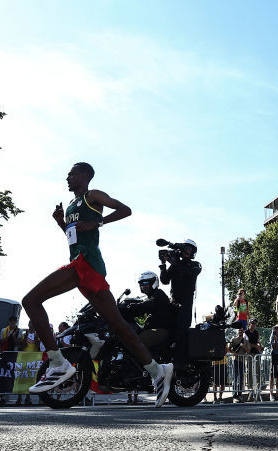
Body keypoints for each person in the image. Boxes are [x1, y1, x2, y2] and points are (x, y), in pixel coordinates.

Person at [22, 162, 173, 405]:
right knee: (119, 326)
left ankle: (59, 363)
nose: (67, 177)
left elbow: (126, 210)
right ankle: (158, 371)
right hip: (80, 263)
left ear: (84, 175)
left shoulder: (93, 196)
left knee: (30, 300)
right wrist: (61, 223)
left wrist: (98, 223)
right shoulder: (71, 205)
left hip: (86, 263)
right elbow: (74, 236)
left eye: (71, 173)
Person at [119, 270, 174, 351]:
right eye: (141, 284)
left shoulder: (158, 293)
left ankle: (149, 363)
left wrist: (130, 306)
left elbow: (148, 304)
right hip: (152, 328)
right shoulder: (149, 297)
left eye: (145, 283)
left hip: (161, 330)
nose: (143, 286)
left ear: (153, 282)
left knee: (134, 341)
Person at [159, 239, 201, 331]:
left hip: (186, 303)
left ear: (193, 251)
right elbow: (165, 281)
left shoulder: (196, 265)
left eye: (189, 249)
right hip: (173, 301)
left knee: (182, 329)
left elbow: (188, 273)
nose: (187, 251)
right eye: (185, 248)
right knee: (169, 327)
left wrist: (174, 262)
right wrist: (163, 264)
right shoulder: (175, 264)